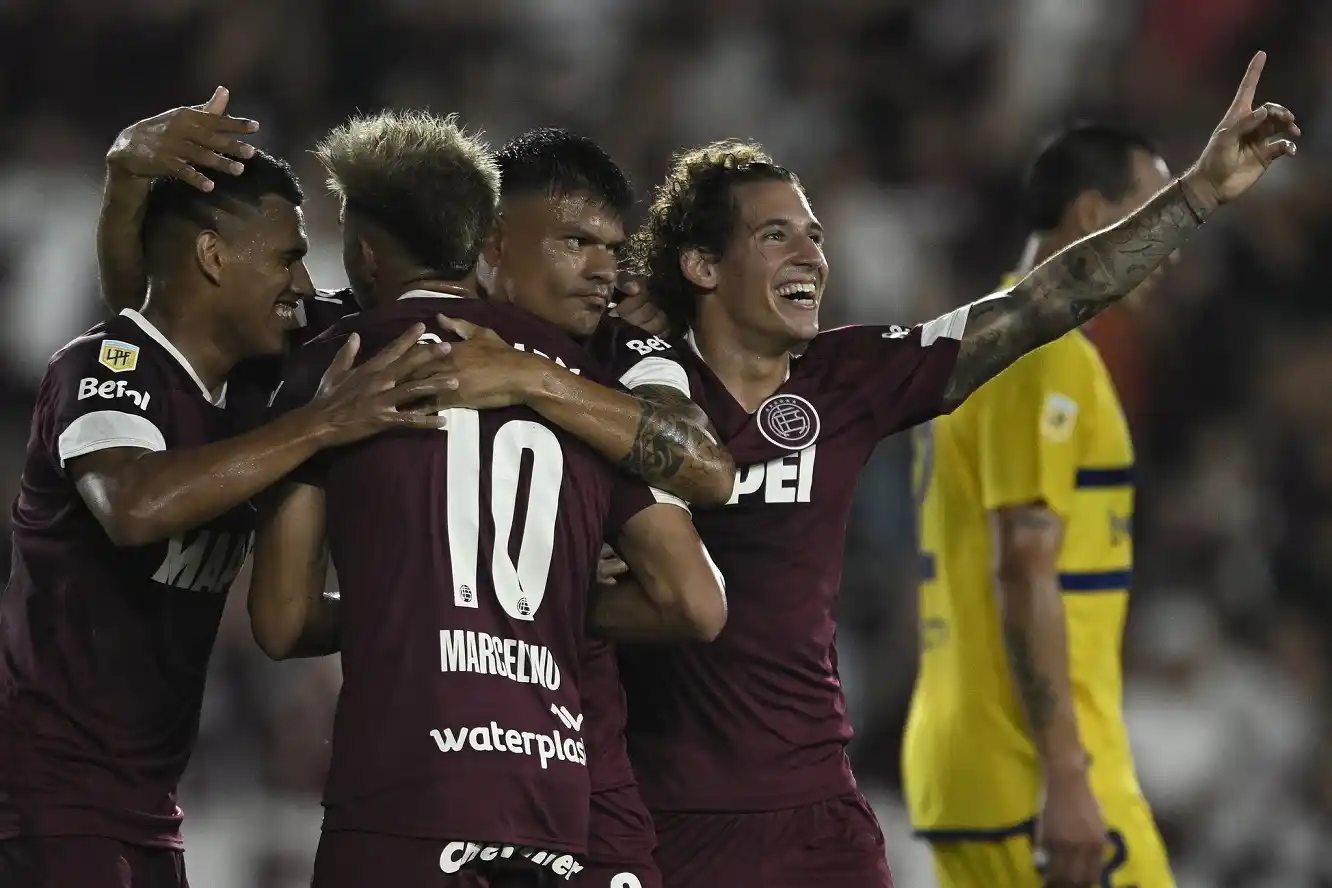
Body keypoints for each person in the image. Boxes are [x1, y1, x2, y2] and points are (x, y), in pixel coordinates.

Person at [612, 52, 1296, 888]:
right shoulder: (626, 392)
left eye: (816, 234)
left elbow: (1047, 300)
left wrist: (1195, 194)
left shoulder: (849, 376)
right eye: (775, 233)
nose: (810, 254)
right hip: (672, 818)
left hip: (820, 817)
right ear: (702, 266)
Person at [245, 110, 727, 887]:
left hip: (403, 791)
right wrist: (542, 596)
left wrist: (410, 606)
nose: (604, 271)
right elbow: (694, 598)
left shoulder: (341, 364)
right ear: (486, 239)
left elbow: (280, 617)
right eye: (578, 244)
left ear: (365, 254)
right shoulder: (588, 388)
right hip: (556, 794)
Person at [0, 134, 458, 886]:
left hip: (147, 801)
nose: (305, 282)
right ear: (214, 258)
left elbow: (418, 318)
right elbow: (133, 504)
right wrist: (324, 422)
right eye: (286, 257)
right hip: (48, 795)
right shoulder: (103, 367)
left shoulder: (257, 383)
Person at [903, 123, 1177, 888]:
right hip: (1035, 776)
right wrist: (1065, 776)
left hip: (978, 766)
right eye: (1154, 211)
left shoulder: (984, 339)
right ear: (1094, 213)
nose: (1171, 244)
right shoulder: (1043, 354)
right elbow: (1024, 566)